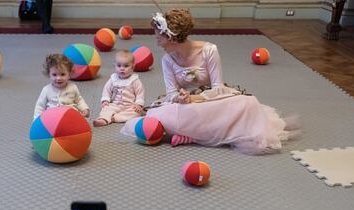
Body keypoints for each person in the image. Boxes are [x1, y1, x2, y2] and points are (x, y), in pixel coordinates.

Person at [127, 8, 299, 155]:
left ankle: (191, 134)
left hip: (213, 101)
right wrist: (180, 98)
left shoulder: (209, 50)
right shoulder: (167, 60)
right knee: (156, 115)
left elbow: (218, 88)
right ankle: (195, 133)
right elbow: (171, 93)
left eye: (159, 38)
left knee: (248, 104)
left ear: (171, 37)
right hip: (186, 106)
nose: (157, 43)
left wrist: (194, 99)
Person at [93, 50, 146, 127]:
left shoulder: (135, 80)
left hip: (130, 106)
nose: (122, 68)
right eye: (119, 65)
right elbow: (106, 91)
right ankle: (103, 119)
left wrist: (138, 104)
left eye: (126, 66)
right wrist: (105, 100)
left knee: (136, 113)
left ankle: (114, 118)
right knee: (106, 108)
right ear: (114, 66)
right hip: (115, 104)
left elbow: (140, 94)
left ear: (133, 67)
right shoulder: (113, 79)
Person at [34, 53, 91, 119]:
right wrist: (37, 120)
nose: (58, 78)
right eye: (54, 75)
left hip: (70, 115)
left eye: (62, 74)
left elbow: (79, 100)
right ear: (49, 74)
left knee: (81, 121)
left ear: (69, 74)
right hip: (52, 117)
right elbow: (40, 106)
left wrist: (85, 109)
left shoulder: (73, 87)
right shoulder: (46, 90)